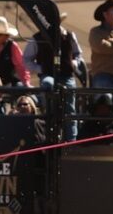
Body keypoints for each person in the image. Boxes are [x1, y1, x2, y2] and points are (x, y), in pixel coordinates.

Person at [23, 10, 83, 139]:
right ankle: (50, 135)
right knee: (48, 86)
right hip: (48, 76)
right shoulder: (37, 38)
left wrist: (74, 63)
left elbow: (78, 54)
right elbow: (26, 60)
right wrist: (41, 69)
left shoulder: (69, 35)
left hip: (67, 76)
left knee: (70, 110)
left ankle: (71, 141)